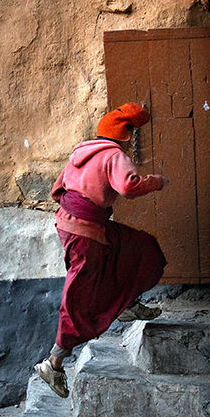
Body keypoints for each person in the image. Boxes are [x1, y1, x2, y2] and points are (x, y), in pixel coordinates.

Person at [35, 103, 168, 398]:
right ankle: (54, 363)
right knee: (80, 293)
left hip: (71, 222)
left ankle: (126, 304)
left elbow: (58, 189)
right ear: (127, 134)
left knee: (137, 247)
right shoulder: (114, 155)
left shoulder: (81, 151)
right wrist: (157, 182)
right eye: (133, 134)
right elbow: (129, 187)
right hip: (85, 229)